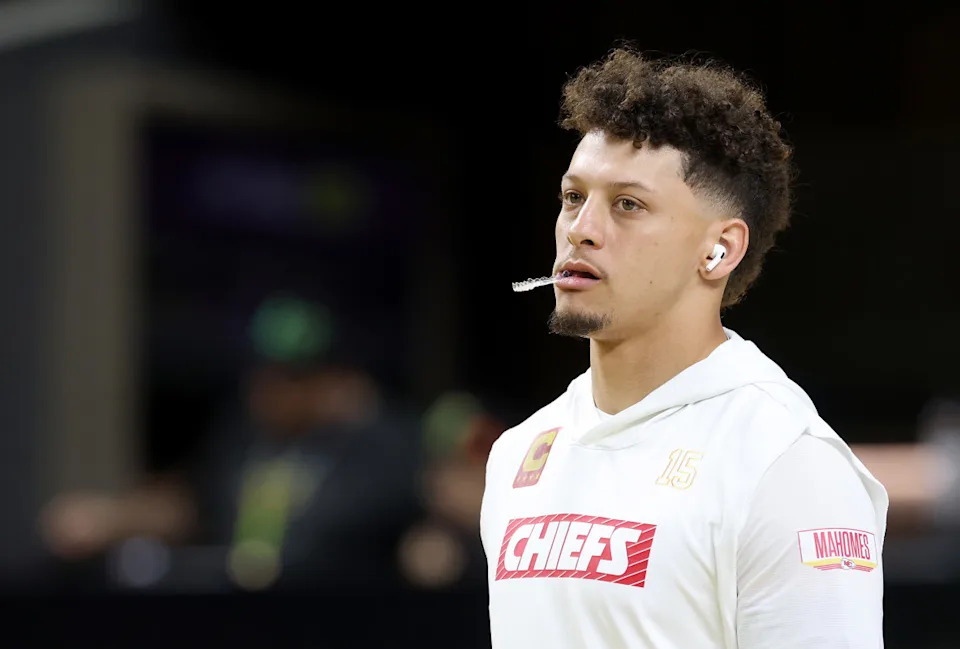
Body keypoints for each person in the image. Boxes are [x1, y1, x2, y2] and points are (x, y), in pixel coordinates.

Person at [480, 46, 888, 648]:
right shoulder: (517, 453)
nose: (580, 230)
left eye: (628, 204)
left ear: (719, 250)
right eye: (573, 197)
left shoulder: (787, 465)